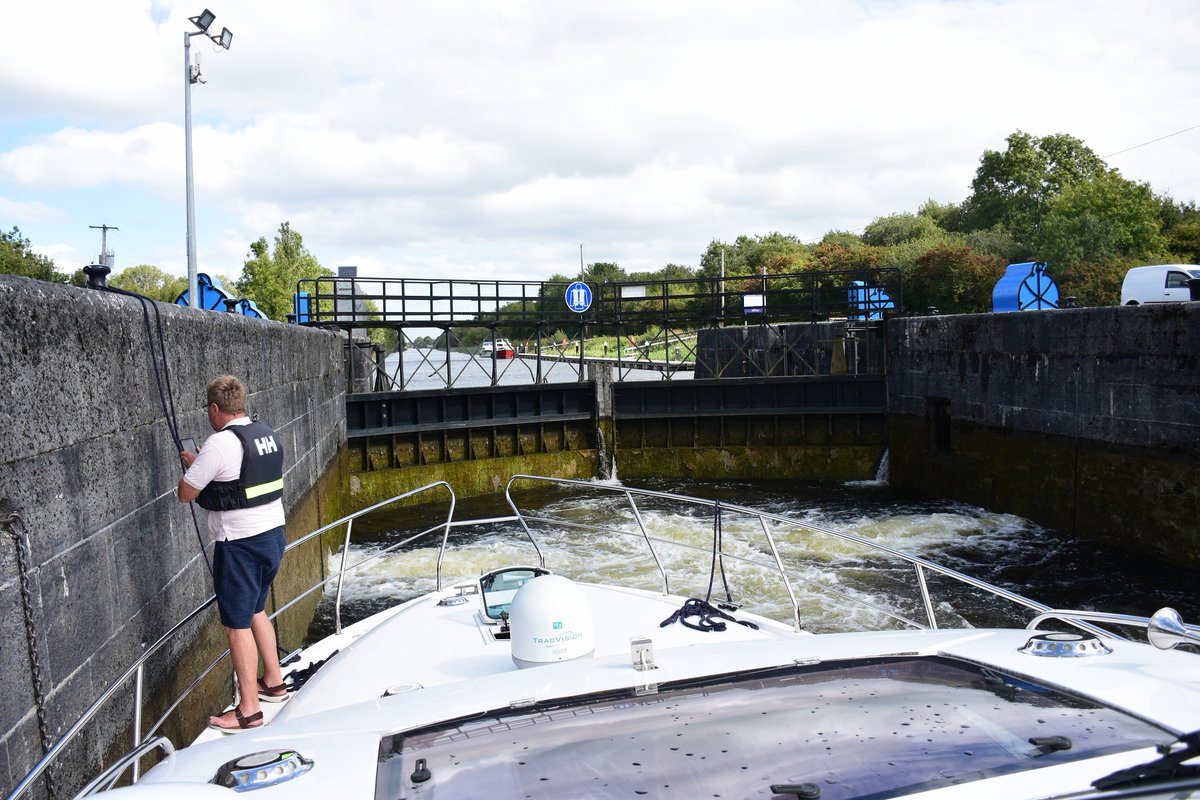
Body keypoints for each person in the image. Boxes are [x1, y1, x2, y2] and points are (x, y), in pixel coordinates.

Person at [178, 375, 288, 733]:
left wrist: (195, 464)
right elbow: (241, 479)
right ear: (241, 402)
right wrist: (204, 463)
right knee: (256, 609)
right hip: (273, 536)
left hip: (239, 544)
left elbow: (186, 492)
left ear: (214, 409)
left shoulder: (219, 444)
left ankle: (249, 711)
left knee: (236, 625)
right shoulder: (264, 433)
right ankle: (273, 681)